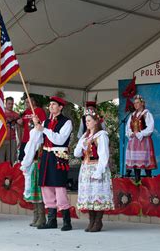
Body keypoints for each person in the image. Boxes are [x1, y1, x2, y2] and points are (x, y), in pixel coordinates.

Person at [21, 96, 73, 231]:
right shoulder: (46, 121)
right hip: (46, 155)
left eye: (54, 104)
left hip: (58, 156)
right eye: (50, 104)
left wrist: (43, 129)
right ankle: (52, 220)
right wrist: (36, 127)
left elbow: (60, 139)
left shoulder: (67, 122)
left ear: (60, 107)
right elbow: (37, 140)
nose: (51, 106)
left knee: (59, 187)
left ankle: (67, 221)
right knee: (46, 187)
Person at [74, 109, 114, 232]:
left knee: (97, 194)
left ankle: (98, 221)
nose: (87, 123)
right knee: (89, 195)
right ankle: (91, 220)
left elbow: (104, 155)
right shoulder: (85, 136)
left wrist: (99, 171)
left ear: (96, 121)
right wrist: (81, 143)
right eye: (86, 121)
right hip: (86, 168)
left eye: (89, 120)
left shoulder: (101, 135)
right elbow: (76, 153)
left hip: (97, 167)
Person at [125, 94, 157, 183]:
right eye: (134, 103)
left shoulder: (146, 114)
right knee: (135, 163)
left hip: (143, 141)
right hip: (134, 142)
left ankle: (149, 183)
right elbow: (128, 127)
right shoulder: (132, 115)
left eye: (137, 103)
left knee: (146, 163)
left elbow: (150, 128)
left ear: (142, 103)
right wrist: (130, 133)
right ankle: (137, 181)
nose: (135, 105)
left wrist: (140, 134)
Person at [18, 95, 47, 162]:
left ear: (33, 102)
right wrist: (20, 123)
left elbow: (44, 124)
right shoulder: (25, 112)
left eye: (28, 102)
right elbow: (23, 126)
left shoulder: (40, 111)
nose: (26, 104)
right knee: (22, 159)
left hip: (35, 140)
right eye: (25, 102)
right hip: (25, 139)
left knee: (34, 160)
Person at [0, 97, 20, 164]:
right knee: (0, 160)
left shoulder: (16, 114)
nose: (10, 105)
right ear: (5, 104)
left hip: (12, 139)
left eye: (12, 104)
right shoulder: (0, 114)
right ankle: (0, 174)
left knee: (11, 160)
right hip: (1, 139)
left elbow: (19, 127)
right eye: (9, 104)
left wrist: (19, 140)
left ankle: (10, 173)